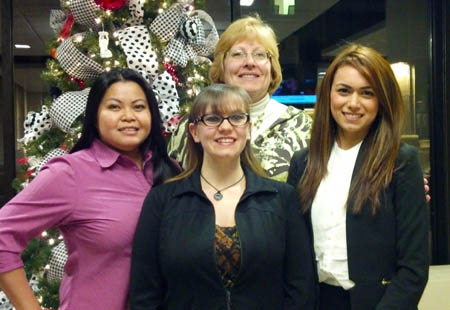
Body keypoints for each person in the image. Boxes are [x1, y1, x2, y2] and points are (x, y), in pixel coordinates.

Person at [0, 68, 180, 310]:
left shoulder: (172, 170)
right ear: (94, 117)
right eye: (114, 107)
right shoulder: (70, 173)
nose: (128, 116)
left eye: (138, 107)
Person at [130, 84, 316, 309]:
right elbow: (145, 293)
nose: (226, 127)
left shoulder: (282, 198)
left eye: (236, 117)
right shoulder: (162, 200)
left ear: (248, 129)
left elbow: (301, 288)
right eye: (213, 118)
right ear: (194, 132)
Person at [287, 44, 429, 310]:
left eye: (367, 93)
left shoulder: (401, 162)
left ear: (382, 100)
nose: (353, 103)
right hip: (317, 301)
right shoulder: (304, 162)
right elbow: (294, 253)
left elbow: (414, 268)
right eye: (344, 91)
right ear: (328, 94)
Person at [168, 15, 312, 182]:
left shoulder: (302, 126)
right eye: (238, 54)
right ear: (222, 64)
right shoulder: (191, 125)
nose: (250, 62)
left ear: (272, 67)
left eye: (260, 54)